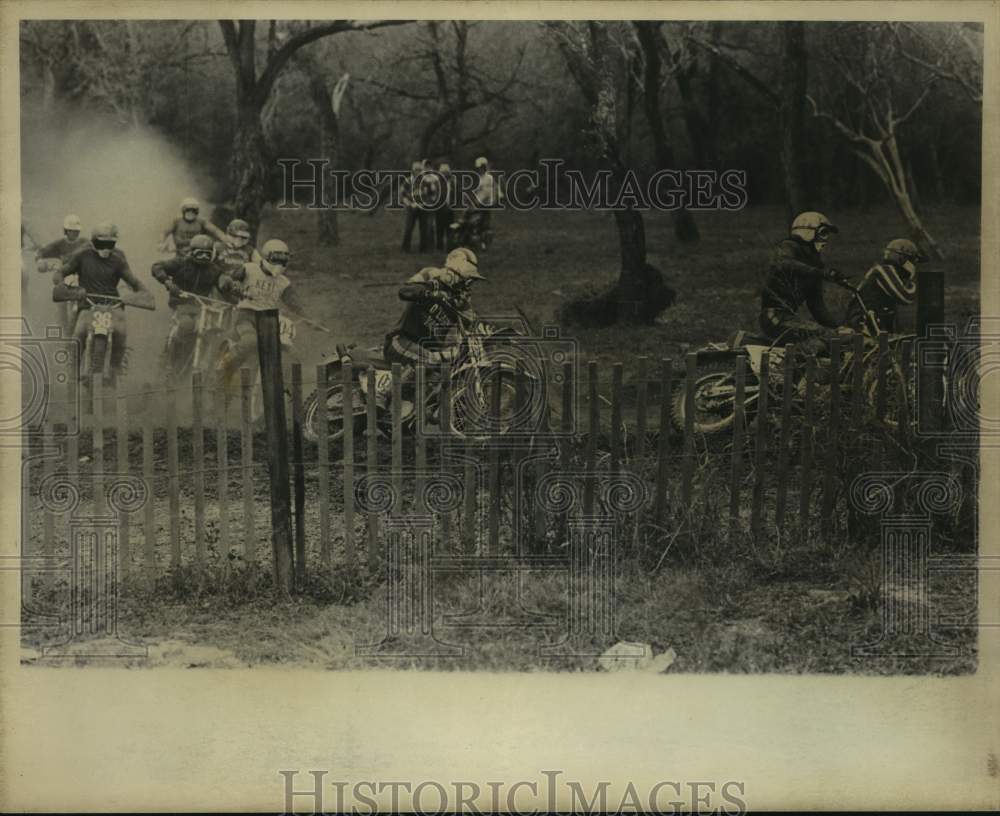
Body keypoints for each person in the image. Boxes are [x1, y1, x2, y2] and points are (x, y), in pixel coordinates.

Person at [56, 222, 150, 383]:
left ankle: (117, 365)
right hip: (87, 304)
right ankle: (72, 370)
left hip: (112, 305)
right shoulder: (81, 255)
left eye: (110, 244)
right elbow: (60, 273)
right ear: (93, 242)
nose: (106, 248)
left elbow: (134, 281)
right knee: (78, 335)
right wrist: (64, 285)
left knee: (121, 332)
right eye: (101, 244)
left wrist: (142, 291)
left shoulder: (118, 260)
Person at [217, 238, 309, 388]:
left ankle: (285, 388)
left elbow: (294, 302)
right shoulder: (249, 269)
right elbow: (230, 278)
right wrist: (231, 285)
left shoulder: (283, 282)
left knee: (290, 351)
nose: (279, 265)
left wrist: (307, 318)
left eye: (284, 260)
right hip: (246, 316)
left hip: (269, 319)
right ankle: (225, 365)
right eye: (276, 259)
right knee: (250, 341)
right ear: (266, 256)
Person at [383, 247, 485, 373]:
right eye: (466, 281)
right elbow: (405, 291)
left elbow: (474, 323)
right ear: (455, 274)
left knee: (448, 368)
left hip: (426, 349)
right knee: (430, 361)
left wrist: (494, 334)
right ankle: (389, 393)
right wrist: (431, 292)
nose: (467, 286)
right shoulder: (432, 275)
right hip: (402, 341)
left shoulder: (459, 301)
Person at [759, 211, 847, 355]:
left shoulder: (815, 265)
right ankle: (793, 364)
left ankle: (803, 369)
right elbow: (784, 263)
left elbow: (817, 307)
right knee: (822, 335)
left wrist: (838, 327)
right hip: (774, 315)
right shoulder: (788, 246)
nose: (825, 239)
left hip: (787, 317)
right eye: (823, 233)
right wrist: (821, 273)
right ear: (808, 232)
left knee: (830, 337)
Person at [151, 234, 235, 371]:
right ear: (192, 252)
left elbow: (224, 286)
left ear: (212, 254)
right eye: (199, 253)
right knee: (186, 325)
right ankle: (168, 358)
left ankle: (202, 364)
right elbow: (156, 266)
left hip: (201, 308)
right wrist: (168, 282)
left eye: (207, 254)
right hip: (181, 304)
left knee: (209, 330)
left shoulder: (214, 270)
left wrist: (230, 288)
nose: (203, 257)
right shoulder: (181, 263)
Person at [845, 239, 925, 335]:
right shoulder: (884, 270)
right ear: (903, 258)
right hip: (862, 322)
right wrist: (912, 280)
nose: (914, 265)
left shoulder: (885, 271)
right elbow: (906, 297)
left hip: (870, 321)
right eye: (912, 260)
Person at [37, 215, 88, 333]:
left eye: (76, 231)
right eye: (71, 230)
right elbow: (42, 251)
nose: (74, 233)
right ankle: (63, 330)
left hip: (83, 276)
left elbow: (97, 251)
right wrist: (39, 259)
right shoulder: (59, 244)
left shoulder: (86, 243)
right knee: (61, 303)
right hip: (66, 276)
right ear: (66, 231)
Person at [158, 197, 227, 257]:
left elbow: (215, 231)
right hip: (181, 254)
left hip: (198, 253)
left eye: (194, 210)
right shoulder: (176, 221)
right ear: (183, 210)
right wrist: (161, 242)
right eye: (187, 210)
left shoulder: (201, 221)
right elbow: (164, 232)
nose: (190, 212)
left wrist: (225, 239)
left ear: (197, 211)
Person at [401, 160, 432, 253]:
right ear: (413, 170)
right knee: (408, 228)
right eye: (416, 170)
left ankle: (424, 249)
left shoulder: (426, 181)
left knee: (424, 229)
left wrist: (425, 203)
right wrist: (409, 204)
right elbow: (402, 195)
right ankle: (405, 248)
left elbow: (431, 195)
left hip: (423, 208)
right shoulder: (407, 181)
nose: (418, 171)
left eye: (420, 169)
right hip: (411, 208)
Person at [434, 161, 454, 251]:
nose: (445, 174)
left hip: (450, 208)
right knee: (439, 228)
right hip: (440, 209)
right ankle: (439, 246)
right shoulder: (437, 183)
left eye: (446, 172)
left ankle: (449, 246)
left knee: (450, 229)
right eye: (443, 172)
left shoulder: (453, 182)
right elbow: (435, 196)